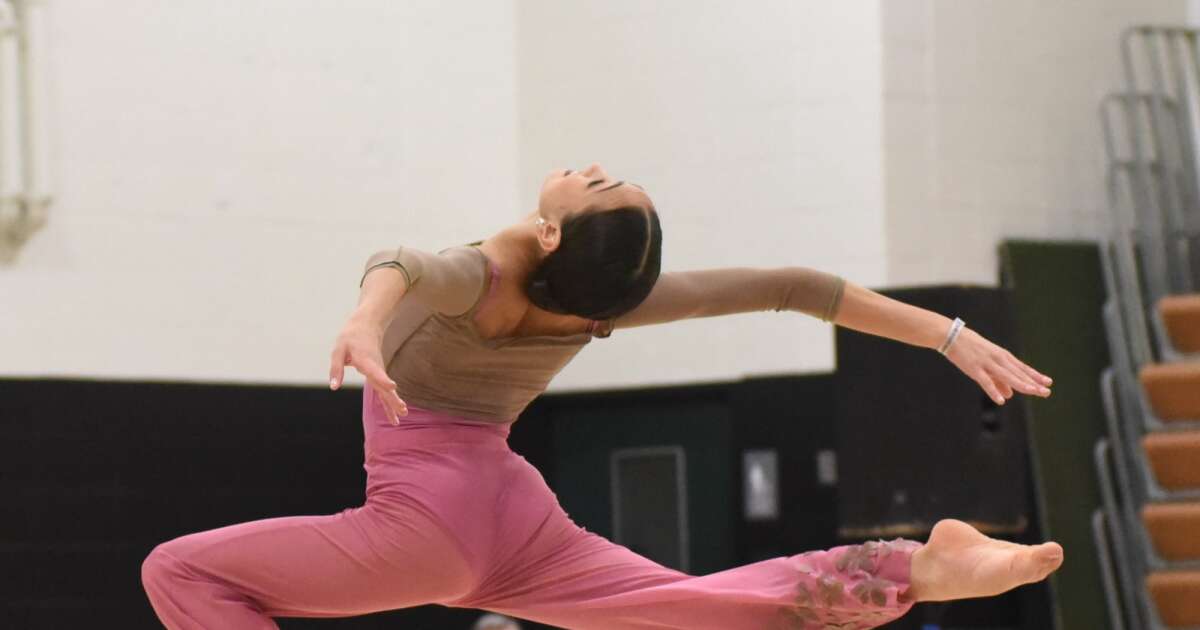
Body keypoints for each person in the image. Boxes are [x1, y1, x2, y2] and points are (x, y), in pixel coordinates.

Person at [142, 163, 1063, 629]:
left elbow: (399, 262)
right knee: (704, 611)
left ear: (549, 230)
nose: (586, 164)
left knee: (179, 571)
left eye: (594, 180)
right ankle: (918, 570)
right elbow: (796, 285)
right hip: (512, 515)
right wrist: (945, 332)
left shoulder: (489, 273)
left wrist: (362, 320)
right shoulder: (609, 306)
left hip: (430, 517)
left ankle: (925, 569)